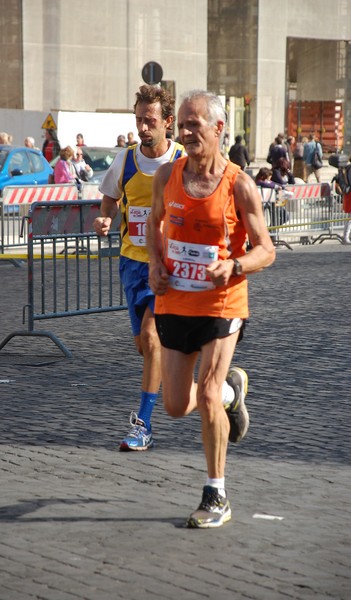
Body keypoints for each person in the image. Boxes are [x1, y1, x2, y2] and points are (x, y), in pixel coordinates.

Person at [147, 89, 275, 528]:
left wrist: (234, 265)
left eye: (193, 125)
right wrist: (155, 264)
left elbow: (266, 250)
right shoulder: (168, 176)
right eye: (181, 124)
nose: (184, 132)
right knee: (176, 406)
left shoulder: (239, 184)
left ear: (218, 129)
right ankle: (231, 393)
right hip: (176, 298)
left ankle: (215, 494)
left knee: (204, 396)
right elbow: (154, 224)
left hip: (224, 301)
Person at [93, 84, 185, 451]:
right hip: (132, 263)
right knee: (145, 349)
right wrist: (104, 219)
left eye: (150, 121)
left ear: (168, 122)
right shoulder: (125, 160)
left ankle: (142, 425)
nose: (143, 129)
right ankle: (220, 393)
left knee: (151, 337)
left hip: (168, 265)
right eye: (138, 121)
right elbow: (109, 201)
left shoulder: (181, 160)